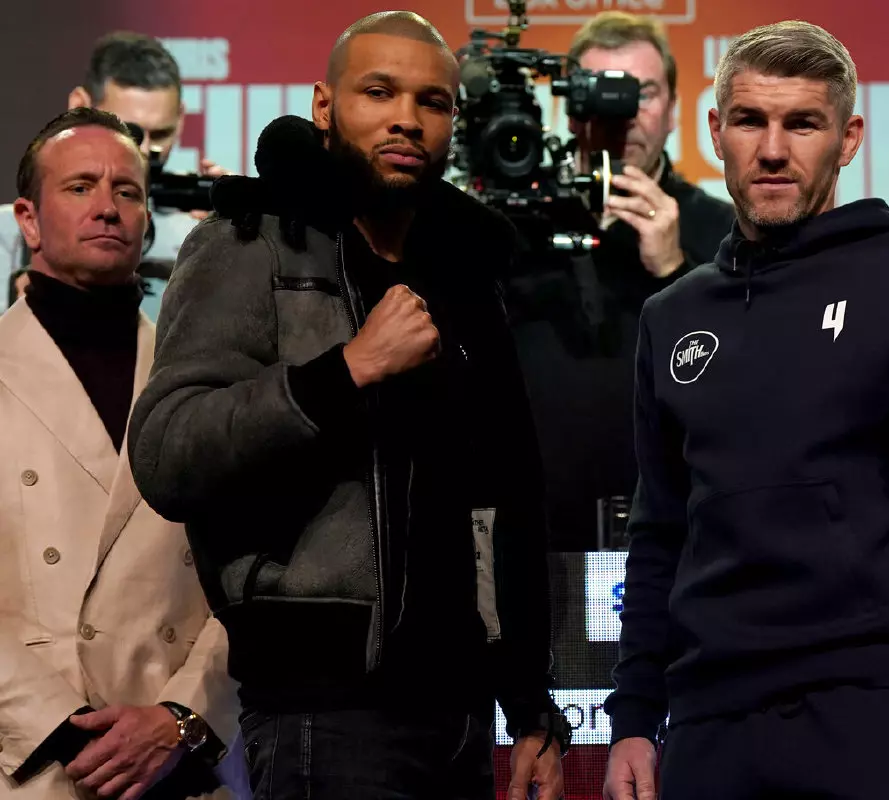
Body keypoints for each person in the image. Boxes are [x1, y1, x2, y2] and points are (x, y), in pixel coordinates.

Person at [601, 20, 889, 800]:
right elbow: (659, 535)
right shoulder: (674, 315)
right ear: (715, 132)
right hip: (710, 726)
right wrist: (634, 719)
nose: (772, 149)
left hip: (875, 710)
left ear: (848, 139)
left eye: (803, 124)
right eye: (750, 121)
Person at [126, 12, 567, 800]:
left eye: (432, 101)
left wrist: (530, 702)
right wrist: (346, 372)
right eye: (379, 92)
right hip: (322, 715)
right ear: (325, 106)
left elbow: (509, 494)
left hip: (462, 715)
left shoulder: (464, 276)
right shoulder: (252, 243)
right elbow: (167, 451)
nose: (408, 118)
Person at [0, 108, 241, 799]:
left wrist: (181, 716)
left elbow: (252, 576)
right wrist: (59, 727)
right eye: (80, 187)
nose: (107, 207)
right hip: (32, 764)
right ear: (28, 219)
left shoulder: (204, 384)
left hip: (179, 767)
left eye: (127, 191)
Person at [504, 11, 735, 551]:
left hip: (682, 537)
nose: (622, 111)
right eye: (601, 91)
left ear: (673, 110)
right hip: (537, 536)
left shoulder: (725, 231)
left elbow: (750, 393)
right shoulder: (509, 231)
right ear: (569, 108)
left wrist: (676, 271)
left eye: (643, 93)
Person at [0, 32, 226, 315]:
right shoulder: (8, 236)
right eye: (129, 132)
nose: (145, 151)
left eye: (161, 134)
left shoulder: (203, 234)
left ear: (180, 119)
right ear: (80, 106)